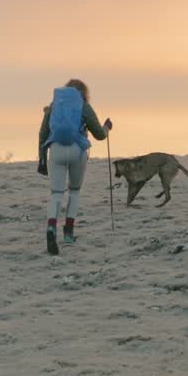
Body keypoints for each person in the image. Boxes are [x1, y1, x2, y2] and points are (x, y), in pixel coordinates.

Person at [38, 79, 111, 255]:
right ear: (83, 92)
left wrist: (41, 159)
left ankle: (51, 229)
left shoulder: (54, 105)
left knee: (56, 193)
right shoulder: (84, 106)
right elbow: (100, 135)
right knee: (75, 191)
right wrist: (107, 127)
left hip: (56, 150)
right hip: (77, 150)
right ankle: (69, 233)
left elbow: (43, 133)